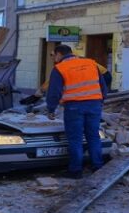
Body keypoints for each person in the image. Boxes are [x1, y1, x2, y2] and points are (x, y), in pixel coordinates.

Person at [45, 45, 108, 179]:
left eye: (53, 55)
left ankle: (76, 170)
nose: (54, 59)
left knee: (75, 139)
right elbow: (103, 85)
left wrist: (51, 109)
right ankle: (97, 166)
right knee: (93, 136)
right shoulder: (90, 63)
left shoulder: (60, 68)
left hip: (74, 107)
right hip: (94, 105)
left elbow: (54, 92)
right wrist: (101, 101)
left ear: (59, 54)